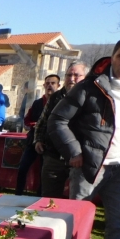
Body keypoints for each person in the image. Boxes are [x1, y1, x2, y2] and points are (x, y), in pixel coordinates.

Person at [48, 36, 120, 239]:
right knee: (77, 221)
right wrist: (75, 152)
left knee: (119, 224)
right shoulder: (90, 87)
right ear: (112, 57)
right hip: (89, 166)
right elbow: (57, 120)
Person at [35, 61, 89, 198]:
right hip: (53, 156)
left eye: (77, 75)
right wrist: (38, 139)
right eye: (69, 75)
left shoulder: (91, 98)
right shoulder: (54, 97)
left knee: (77, 200)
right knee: (48, 198)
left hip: (80, 158)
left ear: (86, 77)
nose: (72, 79)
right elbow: (43, 121)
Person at [14, 74, 59, 195]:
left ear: (58, 85)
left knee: (43, 172)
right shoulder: (37, 103)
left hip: (50, 143)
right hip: (33, 140)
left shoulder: (61, 103)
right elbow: (27, 120)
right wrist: (35, 124)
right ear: (44, 85)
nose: (50, 85)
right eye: (47, 83)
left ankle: (39, 196)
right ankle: (18, 194)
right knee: (23, 167)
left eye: (53, 83)